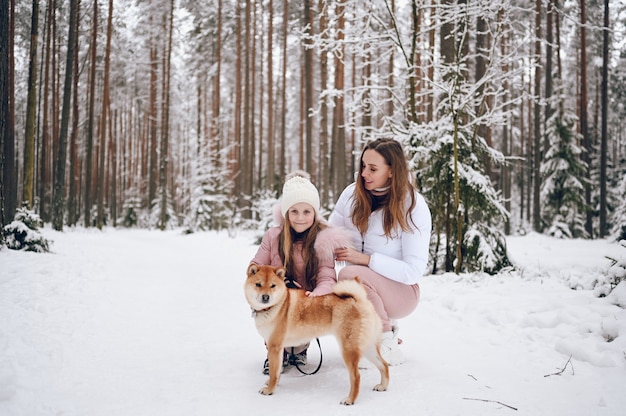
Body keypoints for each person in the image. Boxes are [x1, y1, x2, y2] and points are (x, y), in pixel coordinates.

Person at [329, 138, 432, 365]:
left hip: (402, 293)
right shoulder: (350, 196)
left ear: (392, 171)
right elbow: (328, 238)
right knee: (345, 280)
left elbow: (413, 272)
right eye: (363, 166)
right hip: (363, 290)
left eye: (373, 169)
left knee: (349, 275)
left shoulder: (413, 206)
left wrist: (366, 260)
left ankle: (384, 342)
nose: (364, 173)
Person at [250, 170, 352, 375]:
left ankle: (300, 350)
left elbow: (326, 275)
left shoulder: (323, 240)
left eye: (307, 211)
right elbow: (256, 267)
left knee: (302, 323)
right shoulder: (273, 236)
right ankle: (275, 352)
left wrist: (318, 294)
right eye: (294, 211)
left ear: (314, 213)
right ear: (286, 213)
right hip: (276, 297)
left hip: (306, 300)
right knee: (271, 310)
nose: (300, 218)